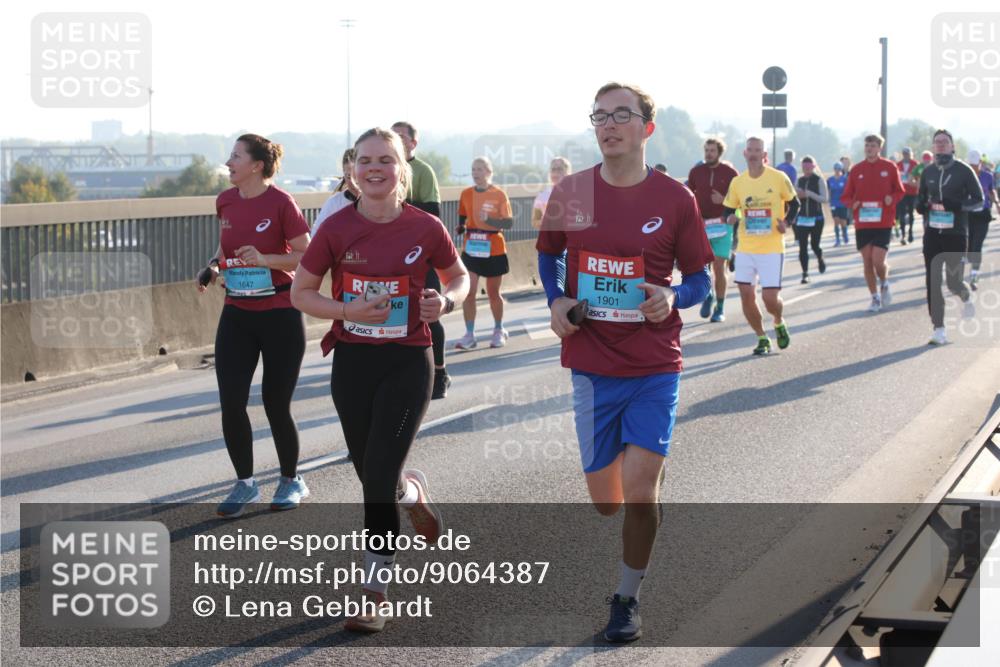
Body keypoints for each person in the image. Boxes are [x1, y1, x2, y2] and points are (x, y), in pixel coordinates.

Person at [536, 82, 712, 644]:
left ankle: (626, 599)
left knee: (638, 491)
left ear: (646, 128)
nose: (608, 125)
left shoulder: (675, 198)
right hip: (591, 365)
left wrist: (672, 297)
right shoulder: (571, 191)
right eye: (599, 116)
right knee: (607, 503)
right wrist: (556, 300)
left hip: (654, 365)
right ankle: (644, 486)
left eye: (620, 115)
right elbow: (547, 254)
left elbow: (701, 280)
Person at [291, 127, 470, 632]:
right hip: (353, 361)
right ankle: (410, 495)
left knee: (376, 476)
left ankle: (374, 593)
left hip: (408, 360)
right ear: (353, 171)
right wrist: (347, 310)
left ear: (401, 169)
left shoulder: (425, 227)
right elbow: (301, 293)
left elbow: (459, 276)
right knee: (370, 470)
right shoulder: (336, 228)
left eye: (385, 160)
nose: (374, 168)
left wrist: (447, 301)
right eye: (365, 160)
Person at [196, 134, 311, 518]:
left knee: (275, 403)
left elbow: (306, 254)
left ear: (257, 165)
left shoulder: (282, 203)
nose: (229, 162)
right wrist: (213, 267)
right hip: (238, 313)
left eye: (235, 156)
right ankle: (245, 483)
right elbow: (224, 248)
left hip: (280, 313)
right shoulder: (225, 201)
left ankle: (291, 479)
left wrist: (265, 259)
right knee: (231, 402)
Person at [391, 121, 451, 399]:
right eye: (392, 135)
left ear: (414, 143)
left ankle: (439, 372)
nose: (396, 140)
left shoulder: (423, 171)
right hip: (390, 257)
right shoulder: (385, 169)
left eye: (401, 136)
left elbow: (432, 211)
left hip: (420, 256)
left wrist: (398, 207)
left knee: (429, 314)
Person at [723, 137, 799, 355]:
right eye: (750, 150)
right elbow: (728, 208)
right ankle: (762, 337)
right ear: (745, 153)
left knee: (769, 299)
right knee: (746, 295)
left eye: (758, 150)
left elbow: (795, 203)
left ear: (764, 155)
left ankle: (778, 321)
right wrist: (730, 217)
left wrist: (786, 223)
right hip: (746, 248)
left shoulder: (778, 177)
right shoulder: (738, 182)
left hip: (772, 248)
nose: (754, 154)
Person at [916, 130, 984, 345]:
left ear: (952, 146)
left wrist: (956, 206)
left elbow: (979, 200)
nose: (941, 145)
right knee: (932, 280)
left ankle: (966, 297)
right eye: (937, 142)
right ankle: (939, 329)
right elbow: (921, 197)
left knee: (954, 282)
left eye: (945, 142)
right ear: (933, 146)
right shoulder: (928, 171)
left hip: (956, 233)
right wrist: (921, 206)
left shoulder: (964, 170)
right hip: (932, 232)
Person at [453, 156, 514, 350]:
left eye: (480, 169)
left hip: (493, 248)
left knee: (493, 293)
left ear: (489, 172)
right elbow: (463, 215)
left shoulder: (499, 194)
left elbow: (508, 223)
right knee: (469, 292)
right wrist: (461, 227)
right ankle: (469, 334)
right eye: (473, 169)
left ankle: (499, 329)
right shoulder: (466, 193)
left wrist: (489, 220)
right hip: (472, 247)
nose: (475, 173)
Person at [841, 134, 905, 313]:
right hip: (863, 222)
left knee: (878, 260)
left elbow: (900, 191)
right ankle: (875, 297)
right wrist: (851, 204)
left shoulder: (889, 167)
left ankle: (884, 282)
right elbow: (846, 196)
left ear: (879, 148)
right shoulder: (856, 170)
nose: (869, 148)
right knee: (867, 261)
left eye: (873, 146)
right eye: (867, 145)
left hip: (884, 221)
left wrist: (891, 198)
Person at [688, 137, 738, 321]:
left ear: (719, 153)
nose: (708, 154)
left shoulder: (730, 173)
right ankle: (708, 295)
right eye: (706, 150)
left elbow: (739, 199)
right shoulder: (696, 172)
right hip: (702, 225)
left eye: (712, 151)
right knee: (702, 266)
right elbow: (688, 195)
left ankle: (720, 308)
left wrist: (723, 200)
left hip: (723, 225)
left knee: (719, 266)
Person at [793, 156, 828, 283]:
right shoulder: (799, 180)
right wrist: (798, 195)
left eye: (809, 167)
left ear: (813, 167)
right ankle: (805, 273)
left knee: (814, 245)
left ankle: (820, 257)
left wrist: (809, 194)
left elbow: (824, 199)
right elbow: (793, 198)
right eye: (804, 167)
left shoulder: (819, 180)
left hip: (817, 218)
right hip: (802, 218)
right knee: (802, 247)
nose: (806, 169)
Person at [967, 150, 998, 290]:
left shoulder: (987, 176)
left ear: (980, 162)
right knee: (970, 247)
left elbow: (991, 191)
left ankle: (974, 277)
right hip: (968, 215)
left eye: (975, 164)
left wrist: (997, 202)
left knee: (977, 245)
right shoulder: (964, 176)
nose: (973, 167)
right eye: (971, 165)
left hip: (983, 214)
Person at [313, 149, 359, 235]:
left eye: (357, 175)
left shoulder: (380, 203)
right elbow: (316, 234)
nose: (353, 182)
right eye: (349, 176)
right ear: (343, 174)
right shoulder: (334, 204)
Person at [532, 157, 572, 229]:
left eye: (559, 169)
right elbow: (535, 222)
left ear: (568, 172)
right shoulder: (542, 196)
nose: (556, 173)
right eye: (553, 169)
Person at [896, 147, 920, 245]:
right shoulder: (898, 165)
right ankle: (903, 234)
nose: (906, 156)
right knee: (901, 213)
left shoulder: (916, 164)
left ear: (911, 154)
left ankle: (910, 231)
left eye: (908, 154)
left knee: (910, 213)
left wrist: (916, 184)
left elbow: (919, 178)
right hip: (901, 193)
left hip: (912, 192)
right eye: (904, 154)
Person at [828, 163, 850, 246]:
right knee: (836, 220)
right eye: (836, 169)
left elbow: (847, 191)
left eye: (839, 169)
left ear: (841, 170)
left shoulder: (845, 179)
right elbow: (828, 191)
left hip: (842, 203)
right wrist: (829, 201)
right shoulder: (830, 180)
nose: (837, 171)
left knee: (843, 221)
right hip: (834, 203)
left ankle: (845, 234)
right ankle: (837, 239)